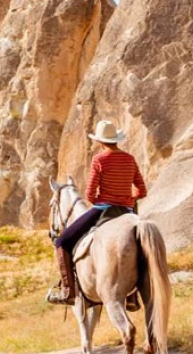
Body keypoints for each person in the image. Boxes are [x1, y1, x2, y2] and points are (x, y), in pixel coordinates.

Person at [47, 120, 148, 308]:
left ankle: (67, 290)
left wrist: (106, 198)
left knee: (62, 242)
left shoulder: (99, 160)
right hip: (127, 210)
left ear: (100, 142)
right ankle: (132, 297)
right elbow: (142, 191)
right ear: (116, 140)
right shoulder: (129, 159)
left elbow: (90, 195)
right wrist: (127, 197)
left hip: (104, 209)